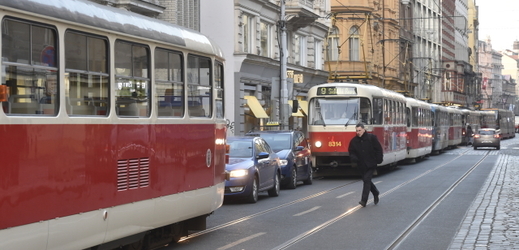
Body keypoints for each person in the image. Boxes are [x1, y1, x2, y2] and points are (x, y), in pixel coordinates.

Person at [348, 123, 383, 207]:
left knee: (366, 180)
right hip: (361, 165)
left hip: (371, 163)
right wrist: (354, 158)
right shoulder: (354, 141)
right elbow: (351, 151)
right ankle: (375, 192)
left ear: (364, 129)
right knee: (366, 180)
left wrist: (378, 159)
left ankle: (364, 200)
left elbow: (378, 149)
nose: (358, 132)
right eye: (356, 131)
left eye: (359, 130)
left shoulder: (371, 138)